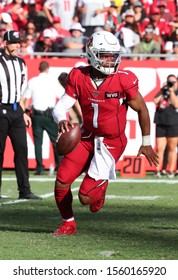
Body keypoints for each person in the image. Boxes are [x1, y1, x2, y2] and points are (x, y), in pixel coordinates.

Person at [52, 30, 159, 235]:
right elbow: (60, 107)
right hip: (86, 136)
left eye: (113, 55)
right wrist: (62, 120)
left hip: (112, 141)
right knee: (62, 181)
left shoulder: (123, 80)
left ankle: (100, 188)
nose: (110, 60)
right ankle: (68, 223)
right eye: (105, 55)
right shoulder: (78, 75)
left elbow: (142, 109)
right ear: (92, 54)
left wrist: (146, 142)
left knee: (86, 198)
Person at [0, 30, 41, 200]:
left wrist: (24, 111)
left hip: (17, 111)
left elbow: (22, 92)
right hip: (1, 109)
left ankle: (25, 190)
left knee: (22, 150)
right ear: (5, 43)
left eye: (19, 42)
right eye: (14, 42)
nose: (18, 45)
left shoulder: (21, 63)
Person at [23, 61, 63, 175]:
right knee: (55, 142)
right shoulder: (52, 81)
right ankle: (59, 166)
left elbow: (26, 99)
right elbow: (61, 96)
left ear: (39, 69)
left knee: (38, 143)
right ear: (47, 69)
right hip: (49, 115)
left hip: (36, 115)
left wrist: (26, 112)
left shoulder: (32, 81)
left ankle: (39, 167)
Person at [153, 74, 178, 178]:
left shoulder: (176, 92)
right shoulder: (163, 91)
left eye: (173, 82)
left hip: (173, 123)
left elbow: (176, 104)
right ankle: (158, 170)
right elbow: (155, 100)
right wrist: (162, 90)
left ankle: (171, 170)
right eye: (169, 82)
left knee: (172, 148)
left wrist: (171, 91)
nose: (171, 84)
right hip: (161, 123)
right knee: (160, 148)